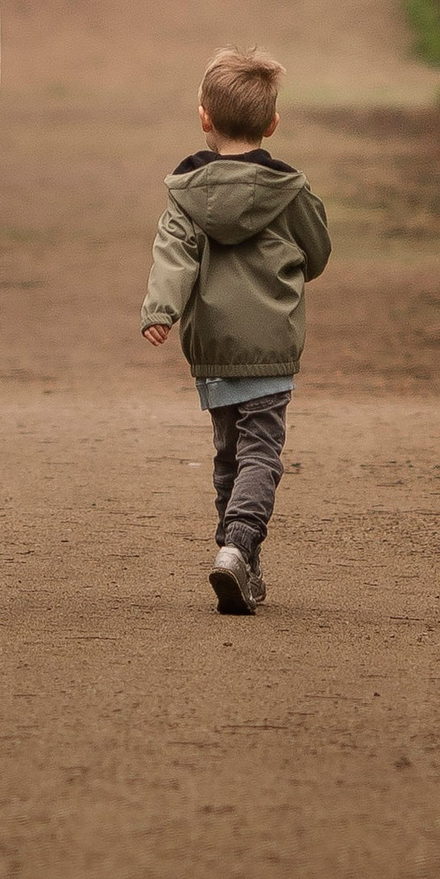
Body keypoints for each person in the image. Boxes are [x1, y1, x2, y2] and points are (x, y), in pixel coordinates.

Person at [140, 46, 330, 615]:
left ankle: (237, 555)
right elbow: (317, 253)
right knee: (262, 453)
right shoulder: (289, 191)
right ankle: (240, 545)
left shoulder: (185, 193)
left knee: (229, 454)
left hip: (214, 344)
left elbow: (173, 256)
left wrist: (160, 310)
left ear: (204, 117)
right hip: (269, 342)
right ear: (272, 124)